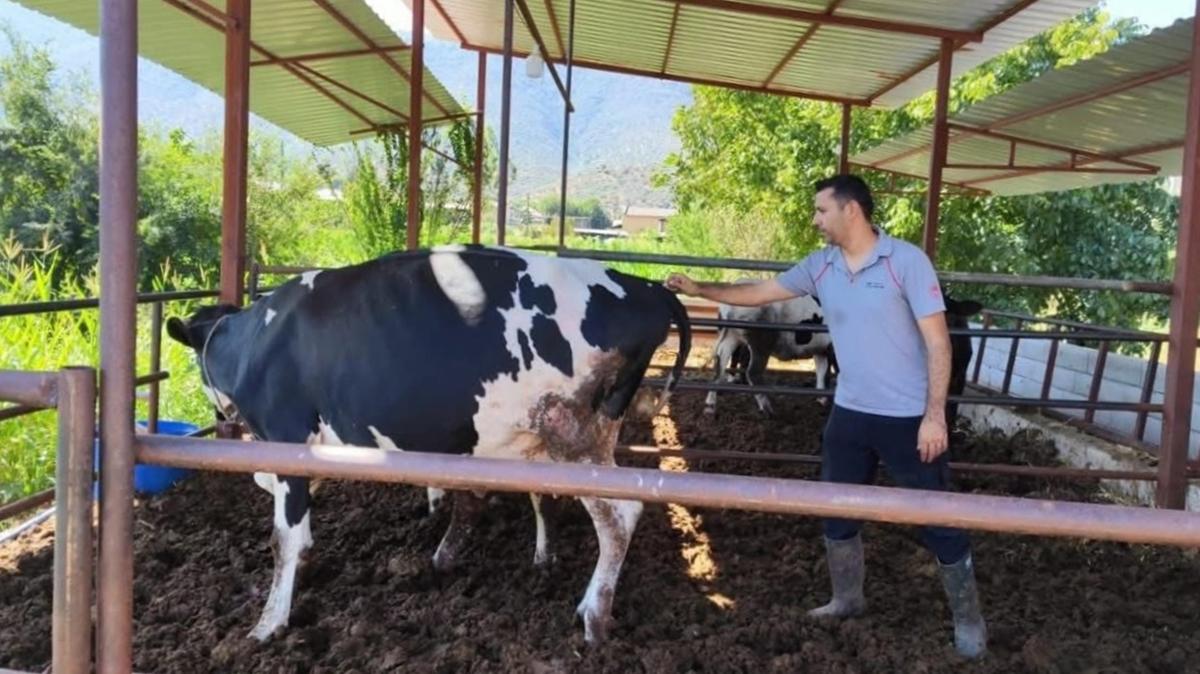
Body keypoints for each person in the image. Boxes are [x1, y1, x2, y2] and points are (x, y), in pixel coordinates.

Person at [664, 174, 987, 659]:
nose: (815, 219)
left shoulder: (907, 263)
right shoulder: (822, 267)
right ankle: (847, 598)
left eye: (820, 210)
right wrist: (699, 286)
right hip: (849, 414)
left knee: (936, 514)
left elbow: (939, 342)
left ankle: (969, 622)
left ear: (850, 210)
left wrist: (935, 416)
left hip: (907, 417)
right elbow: (759, 292)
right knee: (835, 508)